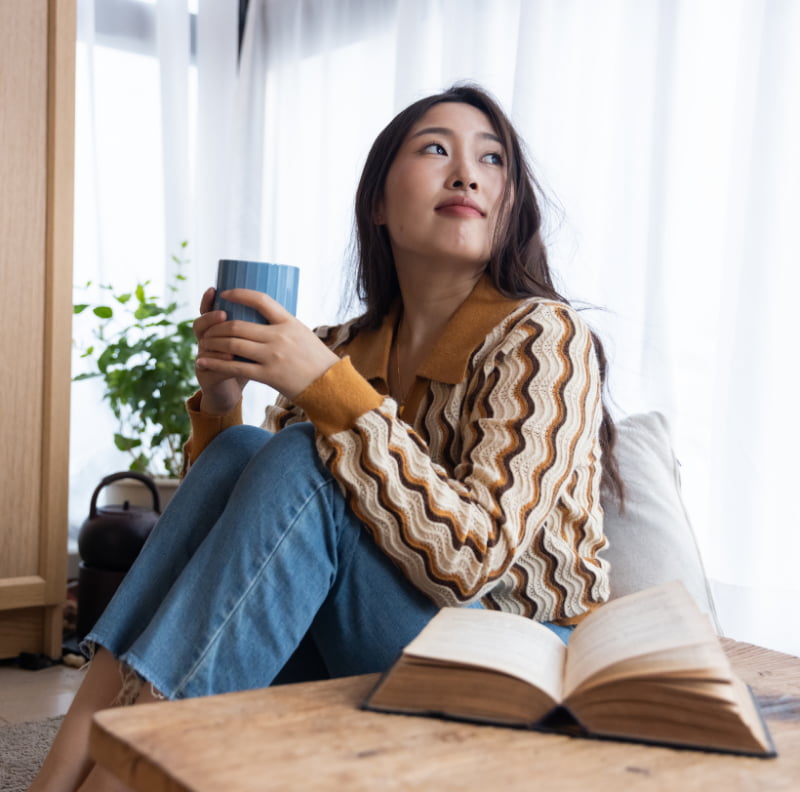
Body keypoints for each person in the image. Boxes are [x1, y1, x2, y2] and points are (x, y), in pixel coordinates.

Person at [31, 83, 622, 792]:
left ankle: (122, 778)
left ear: (510, 202)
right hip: (369, 635)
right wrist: (222, 407)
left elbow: (473, 561)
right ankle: (58, 776)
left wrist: (330, 390)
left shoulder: (543, 336)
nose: (467, 172)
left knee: (299, 455)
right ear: (377, 202)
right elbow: (231, 559)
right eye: (436, 148)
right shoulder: (339, 346)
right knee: (251, 452)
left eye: (493, 160)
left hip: (512, 660)